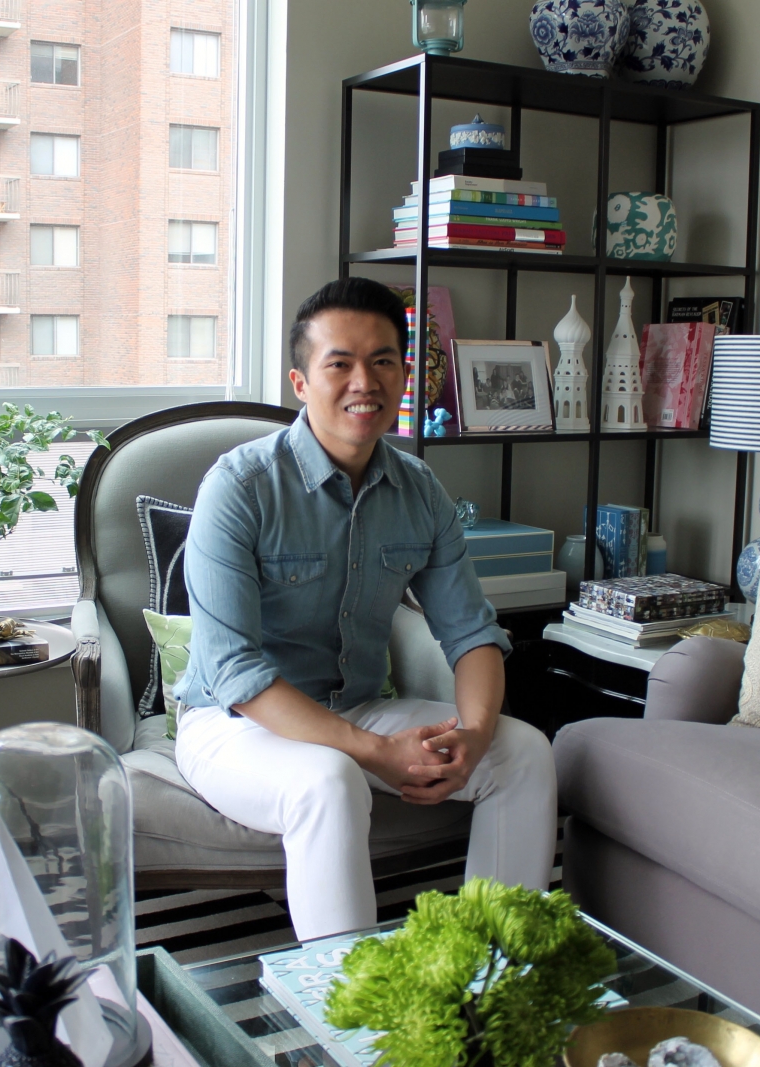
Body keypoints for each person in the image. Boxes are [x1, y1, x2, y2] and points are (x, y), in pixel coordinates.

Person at [172, 277, 557, 940]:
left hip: (355, 704)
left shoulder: (419, 489)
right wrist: (377, 753)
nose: (364, 382)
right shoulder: (238, 487)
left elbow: (473, 635)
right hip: (232, 724)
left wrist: (475, 734)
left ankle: (494, 974)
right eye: (339, 363)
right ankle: (349, 1016)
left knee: (522, 751)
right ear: (300, 381)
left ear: (405, 374)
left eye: (383, 361)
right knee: (329, 780)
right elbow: (236, 671)